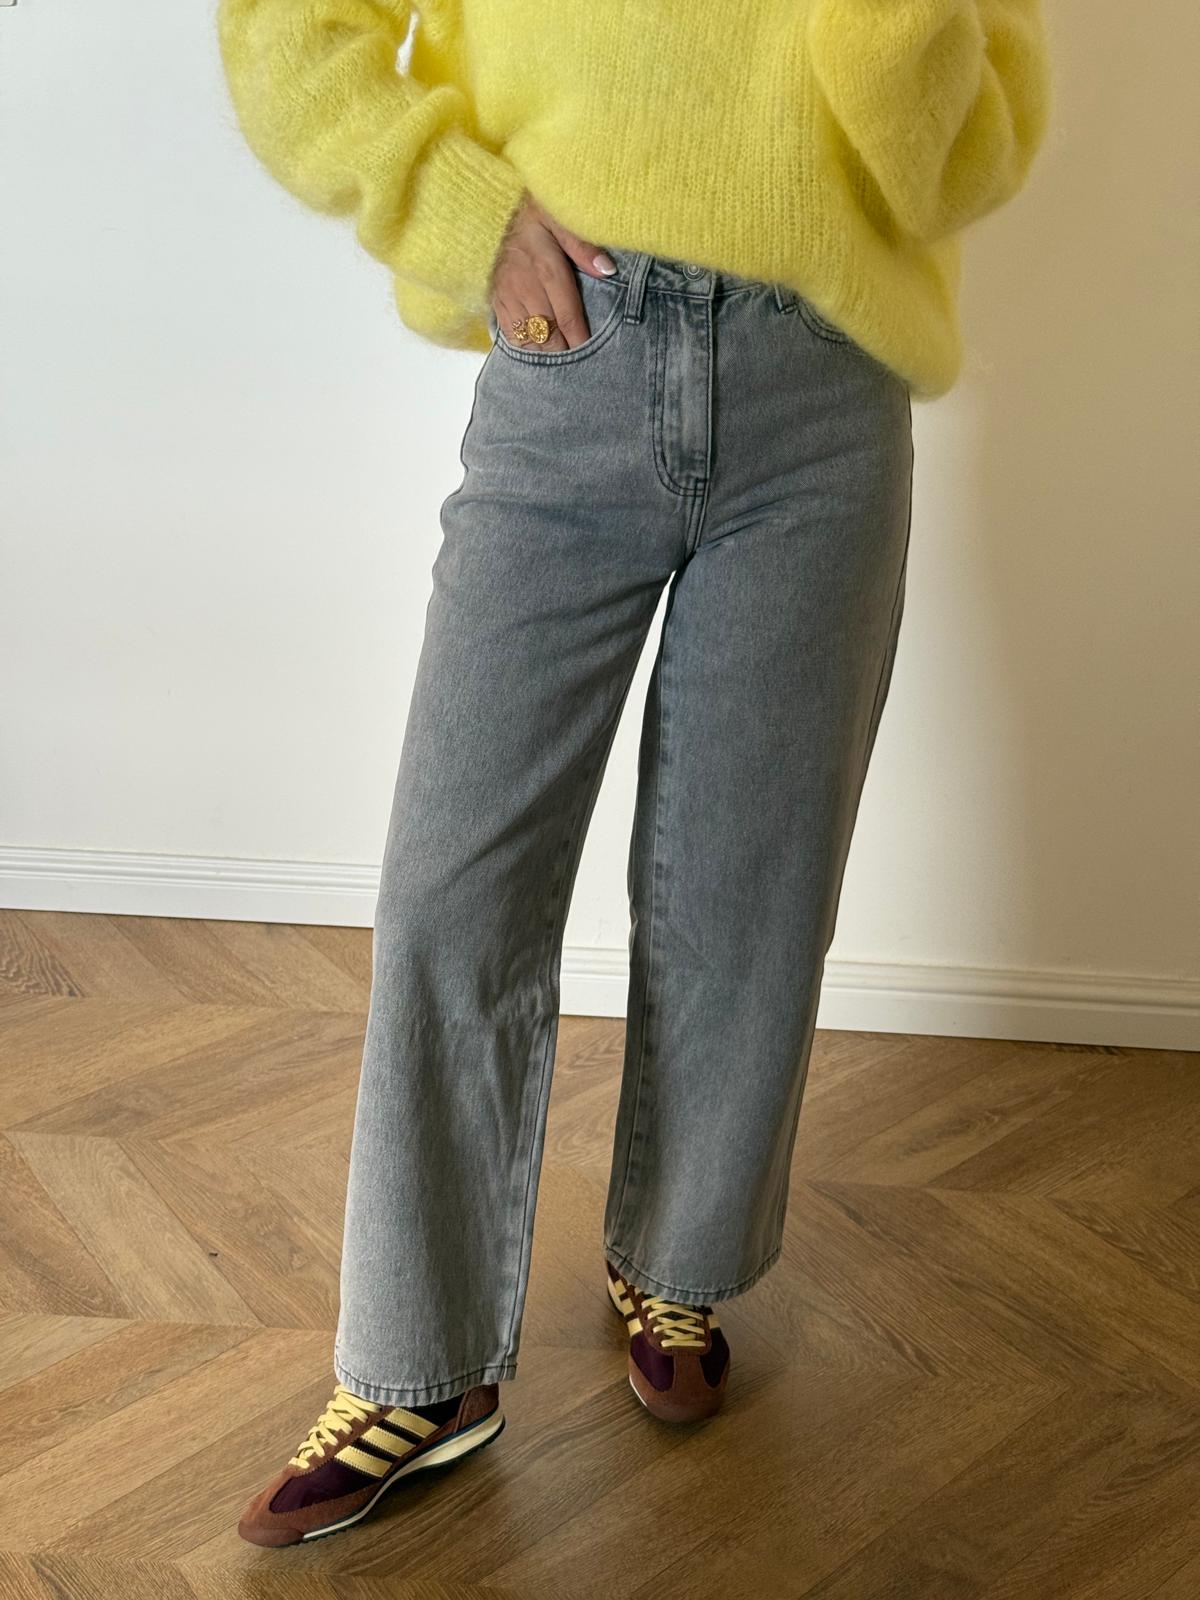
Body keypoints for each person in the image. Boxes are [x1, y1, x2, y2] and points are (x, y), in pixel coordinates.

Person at [216, 0, 1052, 1546]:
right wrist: (460, 206)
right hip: (572, 361)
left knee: (746, 883)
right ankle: (419, 1368)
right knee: (455, 890)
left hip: (822, 396)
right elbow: (288, 24)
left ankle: (679, 1264)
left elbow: (970, 157)